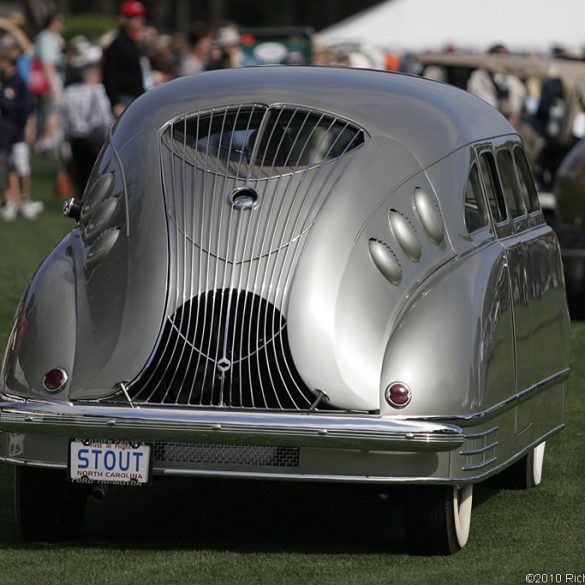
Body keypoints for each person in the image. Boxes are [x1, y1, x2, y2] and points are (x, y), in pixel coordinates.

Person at [60, 41, 113, 196]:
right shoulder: (98, 92)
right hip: (95, 141)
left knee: (80, 182)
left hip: (76, 140)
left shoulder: (69, 92)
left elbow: (65, 123)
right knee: (96, 181)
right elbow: (104, 119)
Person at [0, 42, 43, 220]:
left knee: (22, 166)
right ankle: (11, 200)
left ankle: (25, 199)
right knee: (9, 167)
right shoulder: (5, 81)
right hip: (5, 134)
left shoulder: (17, 82)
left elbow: (24, 108)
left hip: (16, 133)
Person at [102, 1, 151, 118]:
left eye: (141, 16)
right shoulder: (118, 44)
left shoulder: (137, 42)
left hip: (140, 95)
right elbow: (110, 74)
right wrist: (115, 102)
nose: (139, 20)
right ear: (124, 19)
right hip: (125, 98)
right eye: (134, 17)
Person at [467, 44, 527, 129]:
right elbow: (478, 96)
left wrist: (513, 115)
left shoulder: (511, 77)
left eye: (505, 54)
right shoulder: (479, 77)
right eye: (499, 53)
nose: (503, 57)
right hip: (486, 122)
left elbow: (518, 94)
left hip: (508, 122)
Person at [33, 11, 65, 154]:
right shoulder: (45, 37)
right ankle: (44, 141)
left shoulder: (54, 37)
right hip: (52, 77)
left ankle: (48, 140)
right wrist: (52, 83)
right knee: (53, 110)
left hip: (57, 76)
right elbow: (47, 62)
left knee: (53, 111)